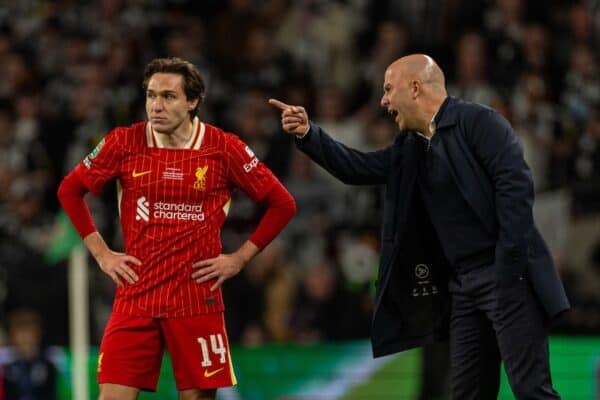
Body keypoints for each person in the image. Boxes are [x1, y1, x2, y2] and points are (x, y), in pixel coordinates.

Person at [269, 54, 570, 399]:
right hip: (463, 288)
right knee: (467, 395)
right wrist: (309, 134)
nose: (382, 101)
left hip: (508, 276)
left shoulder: (480, 122)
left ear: (414, 87)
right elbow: (356, 168)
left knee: (531, 390)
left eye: (387, 89)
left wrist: (507, 275)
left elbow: (516, 193)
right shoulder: (410, 148)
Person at [57, 57, 296, 400]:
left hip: (196, 299)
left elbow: (282, 204)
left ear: (193, 101)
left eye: (168, 96)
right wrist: (102, 254)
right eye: (151, 95)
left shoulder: (223, 147)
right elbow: (69, 190)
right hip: (136, 296)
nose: (156, 105)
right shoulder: (123, 143)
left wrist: (239, 258)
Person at [1, 308, 57, 400]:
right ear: (12, 336)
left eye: (28, 332)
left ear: (38, 334)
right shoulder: (5, 363)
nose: (25, 338)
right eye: (20, 333)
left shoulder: (51, 360)